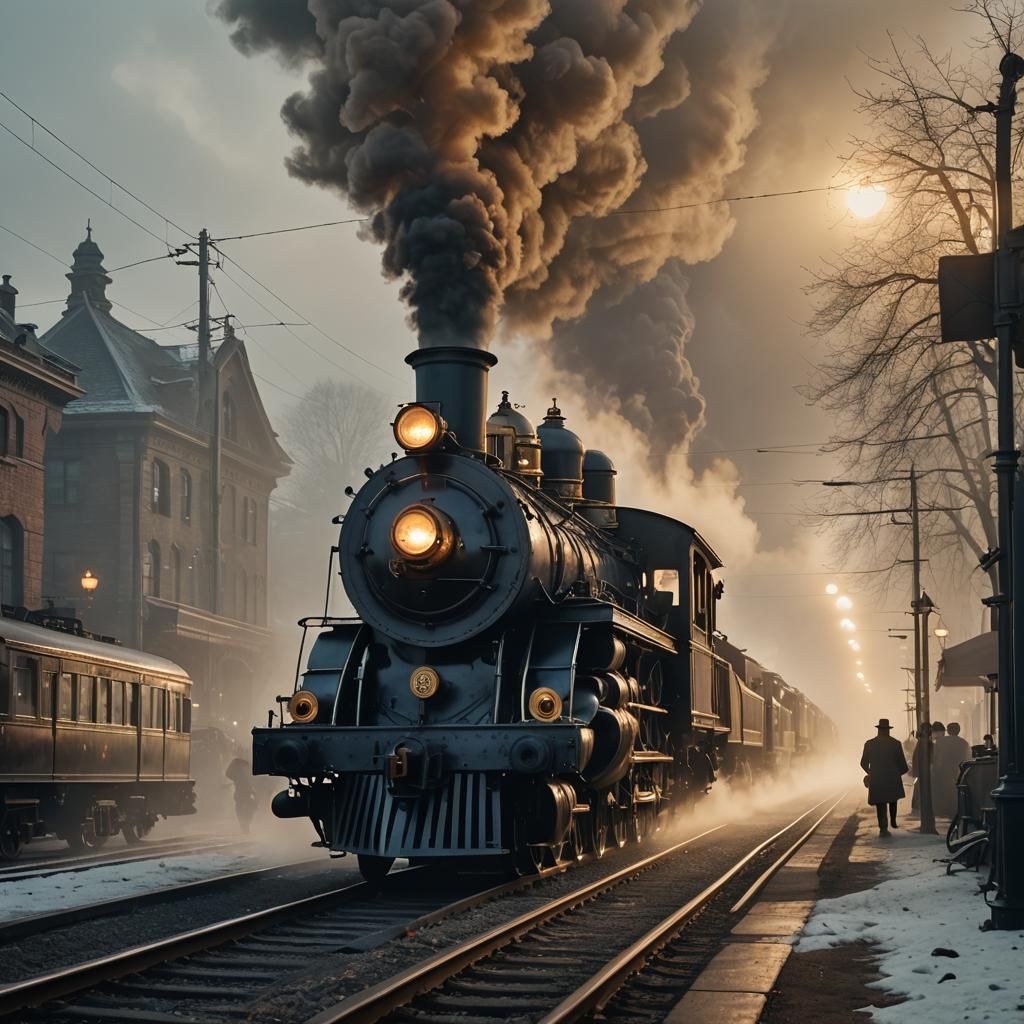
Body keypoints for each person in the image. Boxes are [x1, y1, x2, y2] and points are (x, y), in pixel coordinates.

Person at [861, 718, 909, 837]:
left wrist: (871, 772)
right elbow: (903, 765)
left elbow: (863, 763)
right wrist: (897, 773)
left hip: (877, 779)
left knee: (880, 803)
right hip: (892, 777)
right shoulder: (896, 743)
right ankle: (893, 821)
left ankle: (883, 828)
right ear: (888, 730)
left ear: (878, 730)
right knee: (893, 799)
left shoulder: (869, 743)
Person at [930, 721, 958, 818]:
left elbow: (937, 757)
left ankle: (943, 810)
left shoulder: (940, 742)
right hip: (956, 771)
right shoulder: (963, 742)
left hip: (943, 771)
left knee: (942, 792)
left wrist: (936, 769)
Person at [226, 756, 258, 834]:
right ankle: (244, 825)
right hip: (242, 791)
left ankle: (245, 824)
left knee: (249, 807)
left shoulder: (245, 766)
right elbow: (228, 774)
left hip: (246, 791)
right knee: (242, 808)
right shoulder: (238, 765)